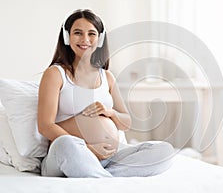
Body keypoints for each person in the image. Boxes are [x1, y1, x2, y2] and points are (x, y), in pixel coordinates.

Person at [37, 9, 174, 178]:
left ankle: (102, 177)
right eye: (77, 33)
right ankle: (102, 179)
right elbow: (45, 125)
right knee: (66, 143)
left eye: (91, 34)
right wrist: (88, 147)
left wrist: (110, 113)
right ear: (67, 37)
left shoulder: (107, 76)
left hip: (109, 158)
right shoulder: (56, 74)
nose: (85, 40)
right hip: (69, 155)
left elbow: (126, 122)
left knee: (164, 150)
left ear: (100, 39)